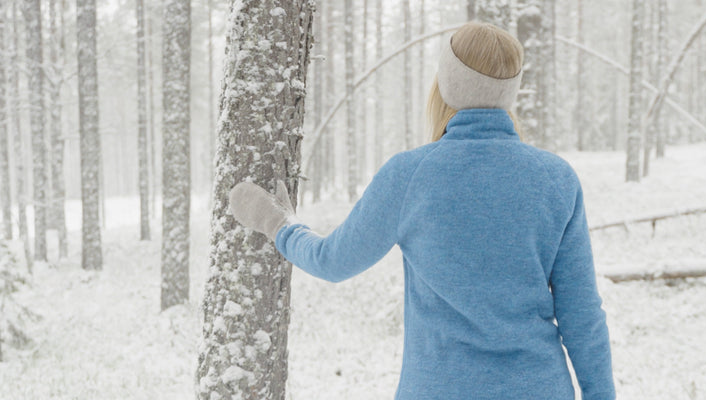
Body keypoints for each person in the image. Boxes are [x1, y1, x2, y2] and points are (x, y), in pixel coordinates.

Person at [229, 21, 615, 400]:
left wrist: (278, 223)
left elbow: (332, 261)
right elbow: (583, 316)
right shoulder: (556, 179)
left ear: (445, 83)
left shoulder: (410, 175)